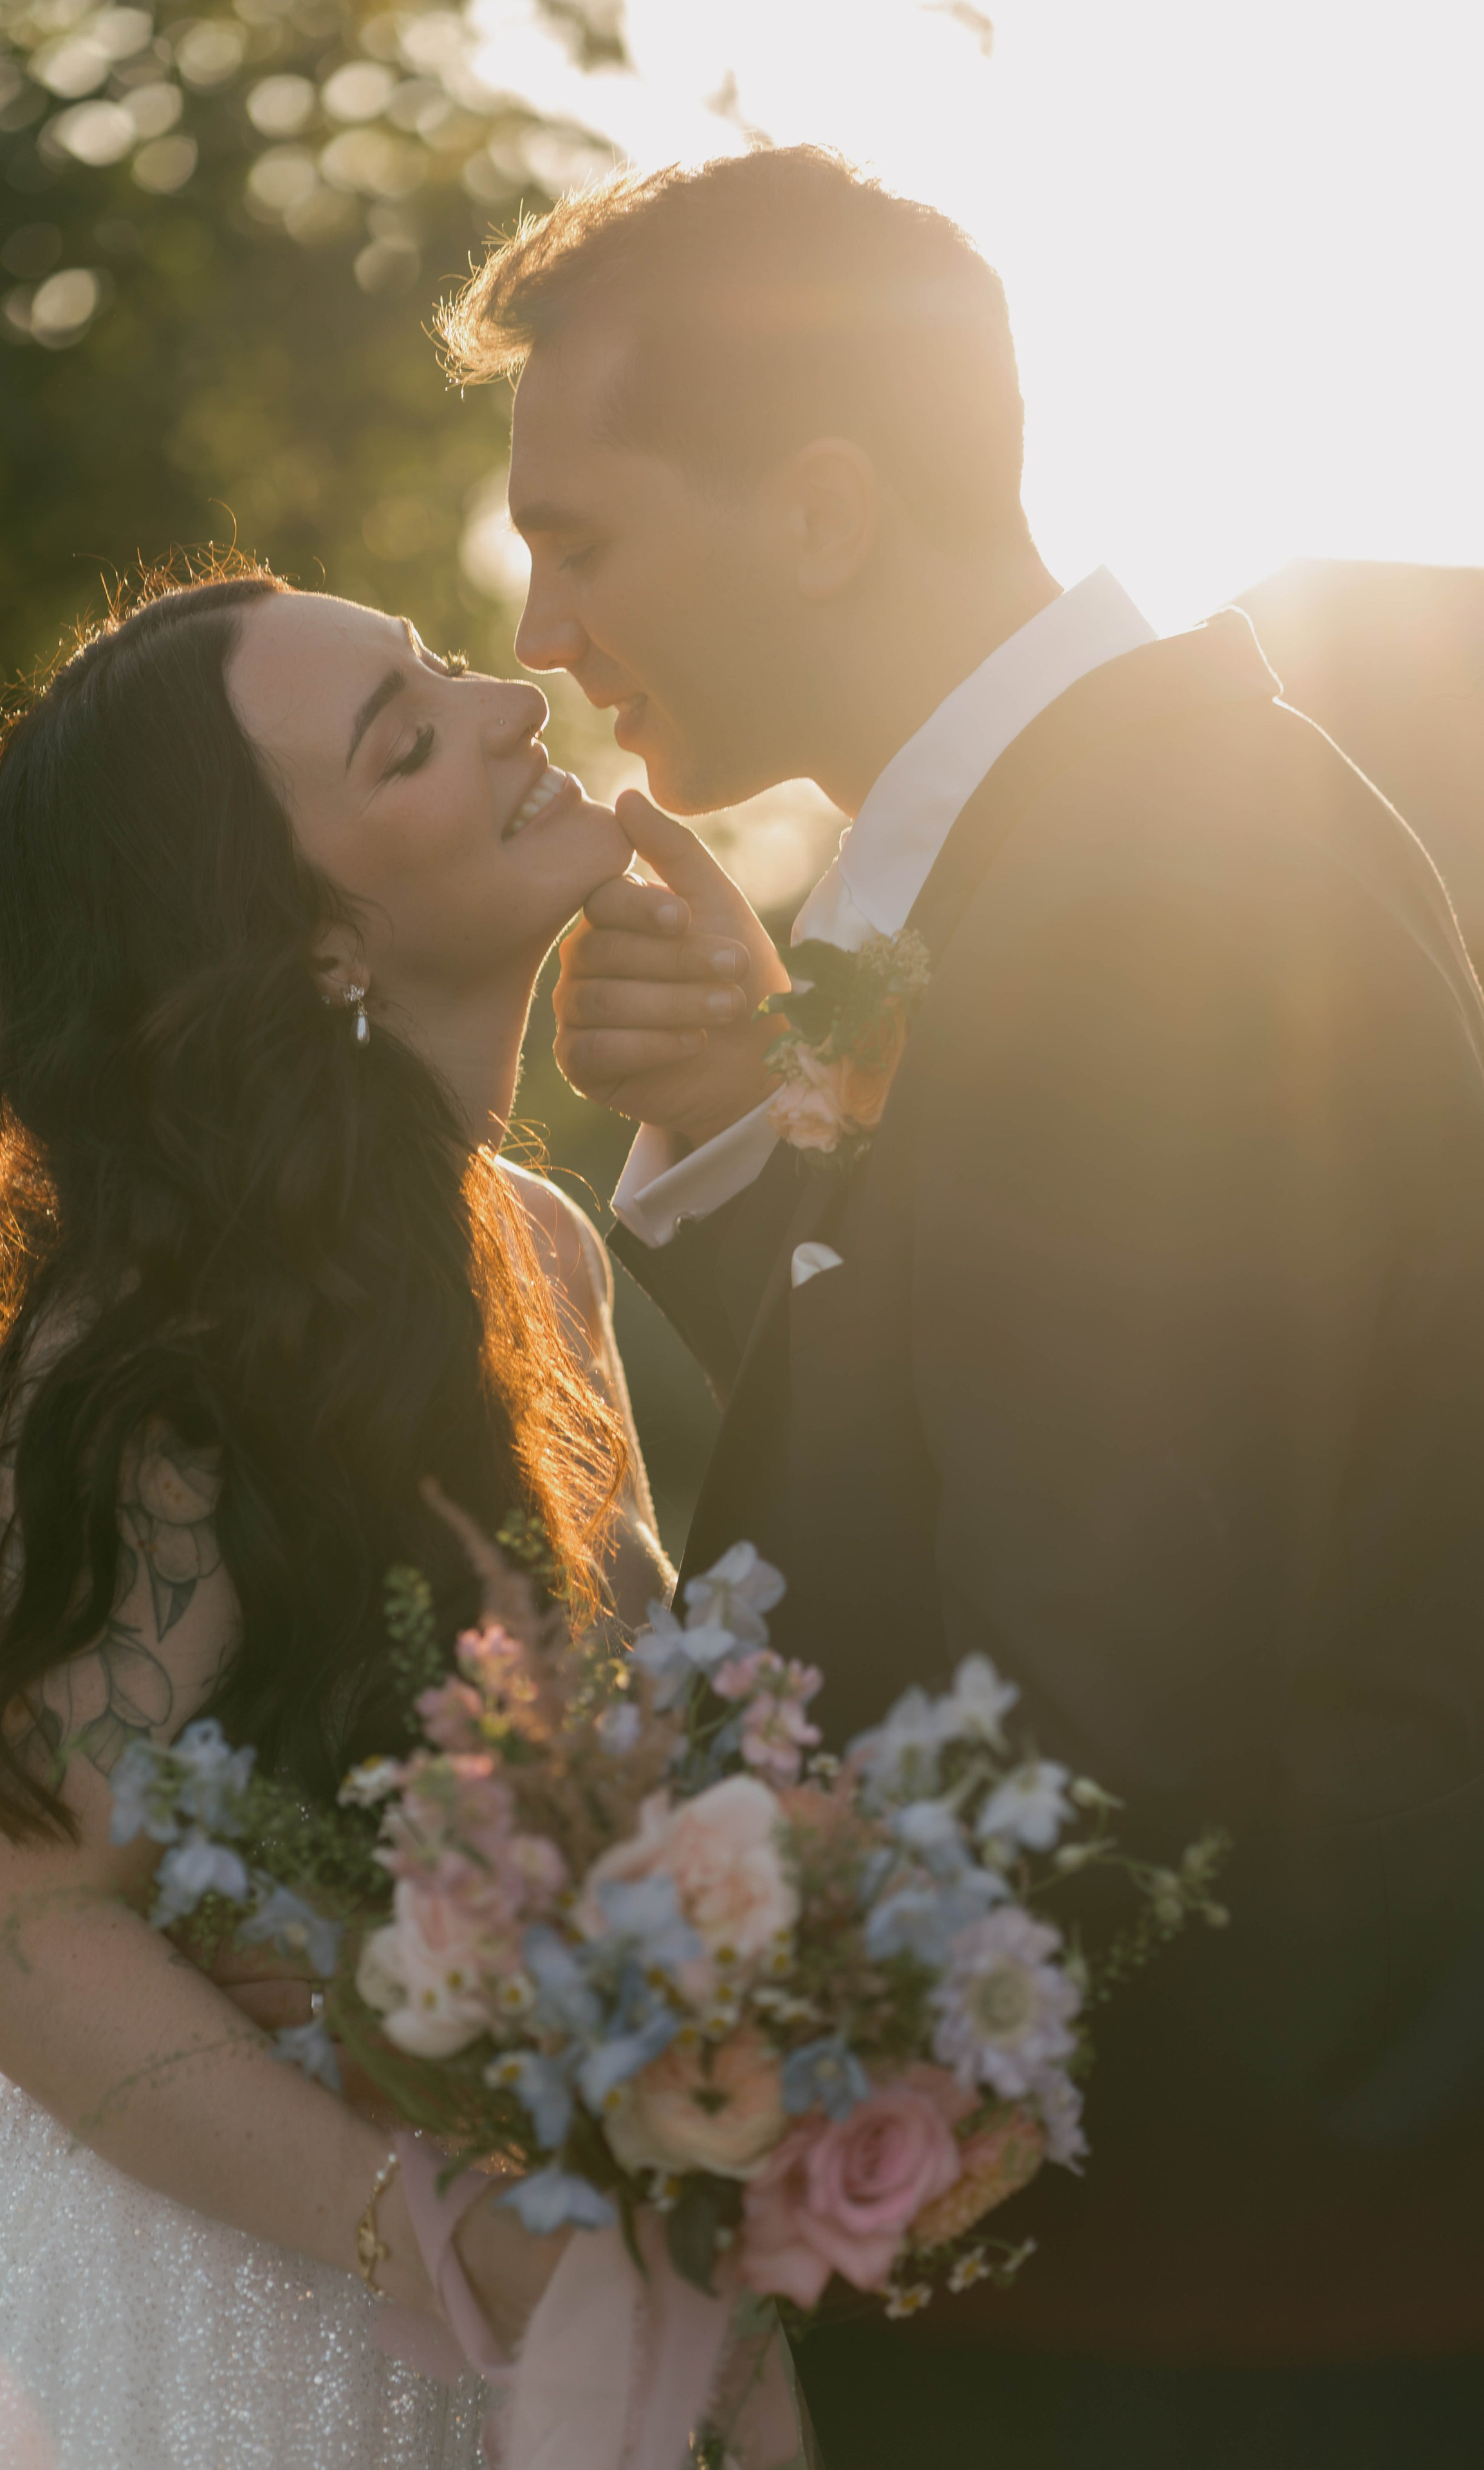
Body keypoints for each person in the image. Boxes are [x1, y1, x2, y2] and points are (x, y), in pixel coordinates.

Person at [440, 148, 1484, 2467]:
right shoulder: (1101, 831)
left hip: (1189, 2296)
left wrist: (694, 2059)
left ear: (819, 512)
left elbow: (1106, 1709)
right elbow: (1028, 1385)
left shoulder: (1147, 890)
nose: (539, 630)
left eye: (581, 536)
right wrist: (762, 1126)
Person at [0, 564, 671, 2470]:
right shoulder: (157, 1347)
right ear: (309, 949)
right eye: (408, 736)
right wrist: (442, 2241)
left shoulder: (541, 1250)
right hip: (211, 2336)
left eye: (443, 667)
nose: (514, 707)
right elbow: (30, 1943)